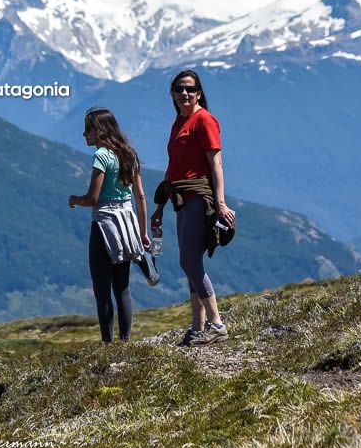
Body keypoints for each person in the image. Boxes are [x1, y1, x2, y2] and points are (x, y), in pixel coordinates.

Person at [152, 69, 236, 347]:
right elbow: (175, 164)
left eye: (189, 89)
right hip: (180, 198)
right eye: (179, 89)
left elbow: (216, 165)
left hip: (198, 197)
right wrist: (160, 204)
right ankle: (198, 327)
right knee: (191, 263)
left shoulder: (205, 120)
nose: (184, 94)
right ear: (173, 94)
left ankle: (216, 324)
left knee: (189, 261)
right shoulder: (180, 123)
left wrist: (220, 204)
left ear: (199, 93)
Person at [68, 108, 150, 342]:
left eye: (88, 129)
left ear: (99, 130)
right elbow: (141, 197)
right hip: (127, 224)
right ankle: (125, 342)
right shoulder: (130, 154)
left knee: (101, 289)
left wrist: (75, 200)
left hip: (105, 224)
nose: (84, 134)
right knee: (122, 288)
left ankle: (107, 345)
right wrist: (142, 234)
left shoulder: (101, 156)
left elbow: (93, 198)